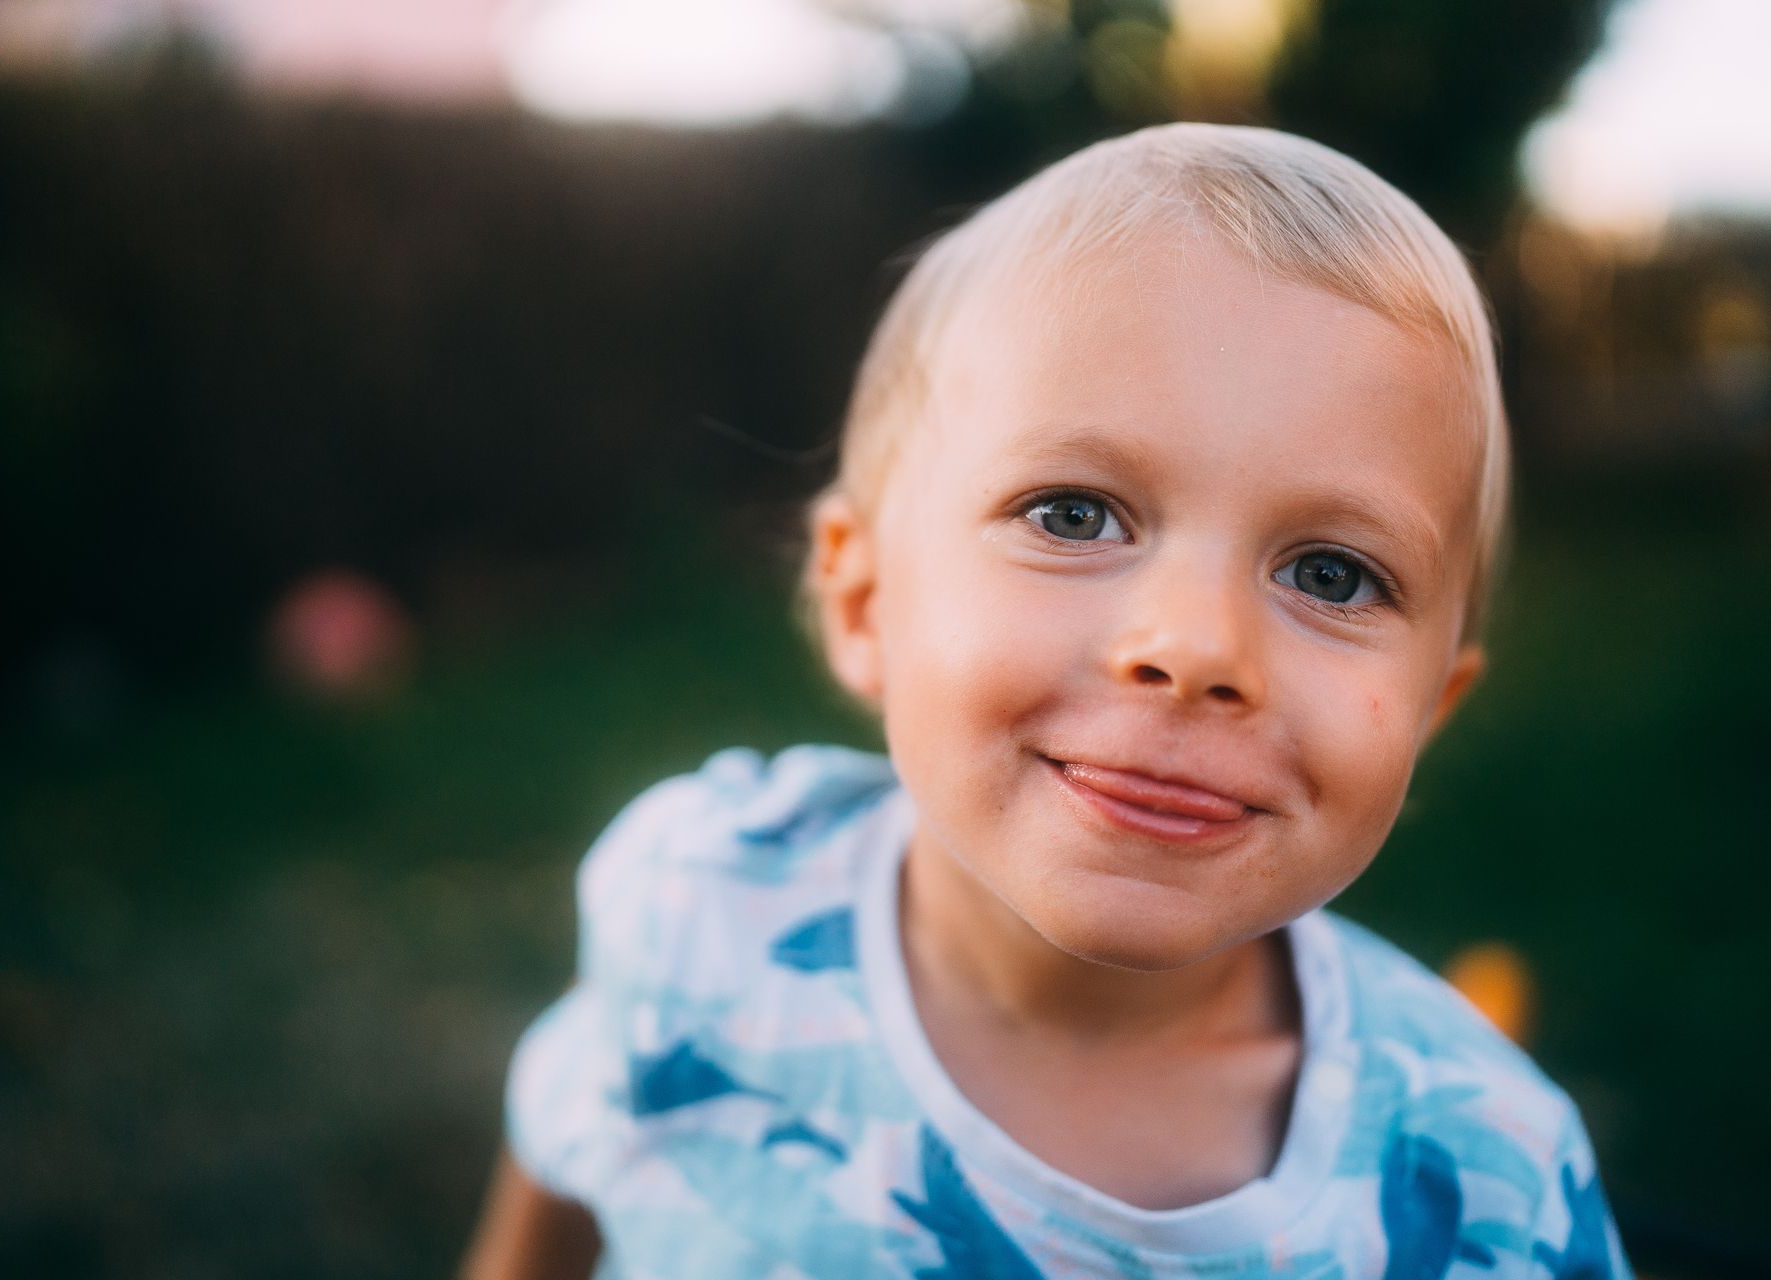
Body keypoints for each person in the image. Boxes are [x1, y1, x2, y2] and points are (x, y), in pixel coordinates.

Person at [460, 124, 1632, 1279]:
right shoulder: (700, 902)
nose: (1196, 646)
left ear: (1430, 709)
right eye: (1074, 514)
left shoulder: (1483, 1183)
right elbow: (555, 1194)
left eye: (1332, 574)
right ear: (866, 603)